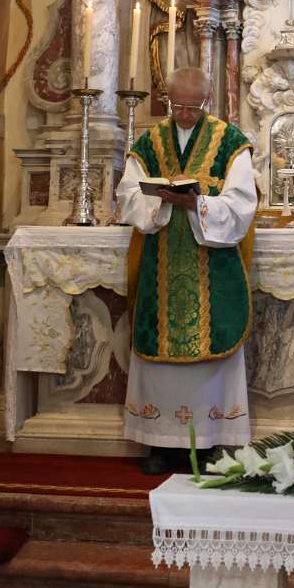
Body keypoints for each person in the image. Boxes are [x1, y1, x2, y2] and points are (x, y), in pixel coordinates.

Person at [117, 67, 257, 474]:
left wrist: (197, 204)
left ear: (207, 102)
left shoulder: (231, 143)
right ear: (166, 99)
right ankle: (160, 444)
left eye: (192, 108)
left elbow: (242, 204)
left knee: (209, 362)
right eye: (176, 106)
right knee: (158, 361)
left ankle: (212, 440)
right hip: (159, 258)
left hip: (210, 266)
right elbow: (128, 193)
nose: (183, 114)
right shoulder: (150, 140)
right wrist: (158, 202)